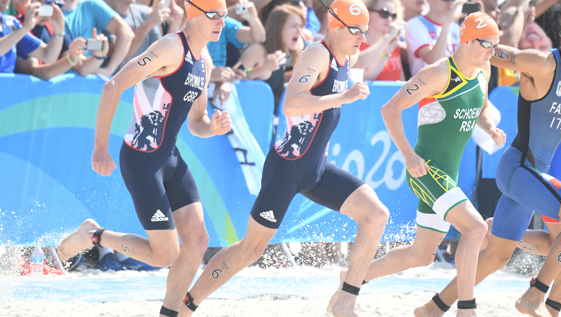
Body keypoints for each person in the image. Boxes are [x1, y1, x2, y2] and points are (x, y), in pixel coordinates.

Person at [181, 1, 389, 316]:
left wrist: (389, 41)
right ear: (334, 27)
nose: (362, 37)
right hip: (288, 167)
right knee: (250, 250)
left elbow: (364, 54)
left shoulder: (348, 53)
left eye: (364, 30)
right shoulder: (317, 54)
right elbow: (292, 104)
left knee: (376, 215)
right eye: (354, 30)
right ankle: (187, 304)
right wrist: (344, 97)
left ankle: (346, 299)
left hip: (317, 168)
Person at [57, 0, 232, 316]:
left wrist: (213, 128)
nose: (221, 21)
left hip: (170, 156)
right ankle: (94, 235)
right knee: (165, 254)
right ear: (192, 13)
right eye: (214, 15)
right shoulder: (169, 48)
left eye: (225, 15)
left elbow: (197, 122)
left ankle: (170, 313)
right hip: (141, 159)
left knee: (197, 239)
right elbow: (113, 86)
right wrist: (100, 148)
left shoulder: (203, 59)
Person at [328, 12, 506, 317]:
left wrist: (490, 128)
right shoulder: (438, 73)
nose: (493, 51)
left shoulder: (483, 69)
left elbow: (482, 108)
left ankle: (351, 281)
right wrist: (409, 155)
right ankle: (466, 310)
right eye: (488, 44)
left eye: (496, 44)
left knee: (421, 254)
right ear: (467, 40)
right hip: (426, 171)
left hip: (447, 174)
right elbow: (390, 109)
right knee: (476, 229)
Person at [414, 22, 561, 317]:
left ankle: (434, 307)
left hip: (538, 175)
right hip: (519, 169)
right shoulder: (544, 64)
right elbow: (487, 51)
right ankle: (536, 296)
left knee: (497, 255)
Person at [11, 0, 110, 78]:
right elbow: (36, 72)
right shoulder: (16, 26)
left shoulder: (54, 29)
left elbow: (82, 68)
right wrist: (70, 60)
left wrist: (99, 57)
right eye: (39, 0)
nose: (45, 5)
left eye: (51, 2)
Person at [235, 4, 305, 109]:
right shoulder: (257, 50)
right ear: (279, 29)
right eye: (294, 26)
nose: (299, 32)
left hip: (269, 117)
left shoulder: (287, 52)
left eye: (301, 26)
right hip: (248, 113)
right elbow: (235, 77)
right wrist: (263, 69)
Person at [61, 0, 135, 77]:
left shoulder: (91, 4)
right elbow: (81, 67)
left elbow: (126, 33)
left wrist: (109, 69)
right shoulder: (49, 10)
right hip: (55, 82)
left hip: (87, 82)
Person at [0, 0, 66, 72]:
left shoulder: (12, 23)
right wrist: (25, 28)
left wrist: (58, 32)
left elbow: (47, 55)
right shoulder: (17, 26)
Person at [404, 0, 464, 76]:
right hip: (427, 85)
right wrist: (446, 23)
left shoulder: (455, 26)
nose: (450, 3)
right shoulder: (415, 24)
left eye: (453, 0)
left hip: (456, 83)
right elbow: (434, 61)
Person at [357, 0, 406, 81]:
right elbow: (360, 65)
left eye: (393, 15)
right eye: (384, 13)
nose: (390, 19)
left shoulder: (393, 44)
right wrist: (388, 36)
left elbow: (401, 81)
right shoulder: (357, 43)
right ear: (368, 12)